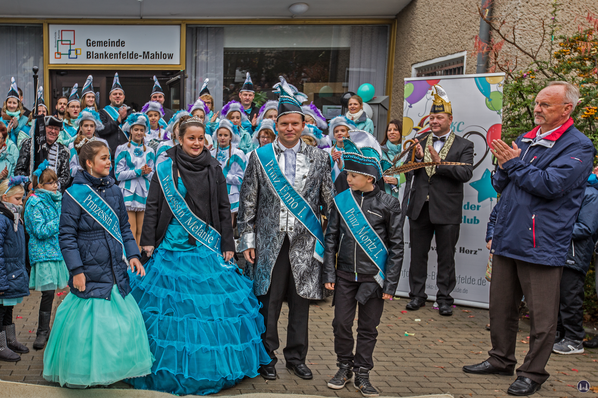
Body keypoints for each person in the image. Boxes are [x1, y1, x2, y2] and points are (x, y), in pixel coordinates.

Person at [463, 81, 596, 396]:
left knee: (541, 316)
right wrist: (503, 168)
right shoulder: (526, 138)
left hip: (542, 242)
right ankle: (500, 359)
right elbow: (503, 186)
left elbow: (551, 185)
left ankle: (533, 373)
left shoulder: (578, 146)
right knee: (501, 307)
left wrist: (512, 164)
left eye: (546, 105)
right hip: (508, 238)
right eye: (537, 103)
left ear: (567, 109)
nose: (538, 109)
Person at [127, 116, 270, 395]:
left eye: (200, 138)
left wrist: (229, 244)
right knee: (172, 311)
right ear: (179, 139)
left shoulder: (213, 166)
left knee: (206, 311)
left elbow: (222, 206)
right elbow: (153, 204)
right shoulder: (165, 166)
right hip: (170, 248)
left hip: (204, 247)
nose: (196, 143)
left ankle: (207, 367)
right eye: (190, 138)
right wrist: (147, 242)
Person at [237, 77, 335, 381]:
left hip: (305, 242)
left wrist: (331, 244)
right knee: (269, 301)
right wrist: (247, 241)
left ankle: (296, 357)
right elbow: (248, 202)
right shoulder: (259, 156)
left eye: (295, 123)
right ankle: (267, 356)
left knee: (301, 302)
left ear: (304, 124)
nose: (290, 128)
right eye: (284, 124)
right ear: (276, 125)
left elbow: (328, 202)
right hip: (269, 241)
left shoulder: (320, 158)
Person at [43, 138, 152, 388]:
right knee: (88, 331)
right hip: (88, 269)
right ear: (89, 163)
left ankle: (113, 371)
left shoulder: (114, 189)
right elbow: (66, 235)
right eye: (104, 158)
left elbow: (124, 227)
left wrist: (133, 255)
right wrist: (77, 270)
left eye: (109, 158)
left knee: (118, 325)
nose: (109, 162)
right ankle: (86, 374)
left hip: (114, 267)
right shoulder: (74, 194)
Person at [323, 130, 403, 397]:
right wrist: (329, 273)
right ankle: (344, 365)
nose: (347, 179)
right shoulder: (341, 201)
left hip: (373, 278)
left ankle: (363, 372)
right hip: (345, 274)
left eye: (352, 175)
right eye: (346, 174)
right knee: (341, 324)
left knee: (368, 328)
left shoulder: (389, 203)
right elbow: (331, 238)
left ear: (369, 177)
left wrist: (390, 283)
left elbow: (396, 246)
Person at [405, 85, 473, 316]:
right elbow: (408, 172)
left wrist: (438, 164)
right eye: (431, 117)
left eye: (439, 117)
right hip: (420, 208)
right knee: (418, 255)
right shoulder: (420, 140)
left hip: (446, 209)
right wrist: (417, 160)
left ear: (450, 119)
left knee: (446, 256)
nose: (434, 121)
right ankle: (417, 295)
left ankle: (444, 298)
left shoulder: (464, 145)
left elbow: (465, 174)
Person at [552, 170, 598, 354]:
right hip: (559, 252)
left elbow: (586, 228)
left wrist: (554, 228)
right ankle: (559, 333)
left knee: (570, 297)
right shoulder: (572, 190)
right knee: (558, 296)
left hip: (575, 254)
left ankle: (574, 339)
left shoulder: (591, 195)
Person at [24, 163, 68, 350]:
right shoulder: (34, 203)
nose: (55, 186)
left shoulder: (57, 200)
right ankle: (42, 331)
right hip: (43, 253)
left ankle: (52, 330)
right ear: (40, 185)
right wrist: (60, 220)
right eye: (50, 183)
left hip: (56, 251)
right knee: (48, 293)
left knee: (56, 292)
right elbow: (40, 230)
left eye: (56, 182)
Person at [0, 176, 29, 362]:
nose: (20, 202)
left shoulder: (14, 217)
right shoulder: (3, 219)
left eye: (22, 199)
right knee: (1, 311)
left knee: (9, 308)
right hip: (5, 275)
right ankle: (1, 345)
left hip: (13, 272)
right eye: (17, 199)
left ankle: (10, 340)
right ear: (4, 198)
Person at [116, 113, 155, 248]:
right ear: (130, 130)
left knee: (142, 230)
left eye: (142, 130)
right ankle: (131, 260)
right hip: (128, 192)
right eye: (136, 129)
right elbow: (118, 174)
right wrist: (138, 172)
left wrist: (146, 173)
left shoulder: (150, 151)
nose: (139, 132)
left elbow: (152, 175)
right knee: (130, 230)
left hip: (144, 191)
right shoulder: (122, 149)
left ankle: (140, 260)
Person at [15, 116, 71, 191]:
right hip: (32, 192)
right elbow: (19, 170)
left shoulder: (63, 151)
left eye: (56, 129)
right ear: (43, 128)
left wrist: (53, 186)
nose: (53, 131)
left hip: (53, 193)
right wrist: (28, 184)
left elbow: (65, 176)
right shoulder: (30, 145)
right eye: (50, 127)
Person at [211, 119, 247, 216]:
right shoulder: (211, 153)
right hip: (214, 196)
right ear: (216, 136)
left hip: (232, 197)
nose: (223, 138)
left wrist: (222, 177)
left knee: (230, 229)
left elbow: (241, 179)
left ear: (231, 136)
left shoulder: (238, 154)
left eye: (226, 135)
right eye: (220, 135)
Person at [98, 73, 130, 159]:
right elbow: (102, 130)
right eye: (115, 94)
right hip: (109, 156)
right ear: (110, 97)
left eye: (120, 94)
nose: (117, 96)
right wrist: (118, 120)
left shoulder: (130, 112)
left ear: (123, 97)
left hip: (127, 156)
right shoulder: (102, 112)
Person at [68, 109, 107, 177]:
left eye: (92, 126)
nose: (89, 129)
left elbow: (108, 166)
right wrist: (87, 169)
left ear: (95, 127)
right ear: (80, 127)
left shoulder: (102, 143)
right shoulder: (72, 145)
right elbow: (71, 170)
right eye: (86, 125)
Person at [326, 116, 357, 185]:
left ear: (348, 134)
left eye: (343, 131)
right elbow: (321, 171)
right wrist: (331, 161)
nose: (339, 133)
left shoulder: (354, 153)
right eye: (336, 131)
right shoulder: (326, 151)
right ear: (333, 135)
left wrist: (342, 168)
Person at [1, 78, 29, 147]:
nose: (11, 105)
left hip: (20, 155)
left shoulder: (24, 120)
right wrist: (7, 132)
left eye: (14, 103)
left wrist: (16, 127)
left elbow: (26, 140)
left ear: (18, 105)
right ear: (6, 103)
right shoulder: (1, 120)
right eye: (9, 102)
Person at [380, 119, 403, 199]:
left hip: (402, 196)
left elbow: (411, 175)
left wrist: (398, 181)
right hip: (384, 196)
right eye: (389, 130)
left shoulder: (407, 152)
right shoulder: (380, 151)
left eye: (395, 129)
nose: (392, 132)